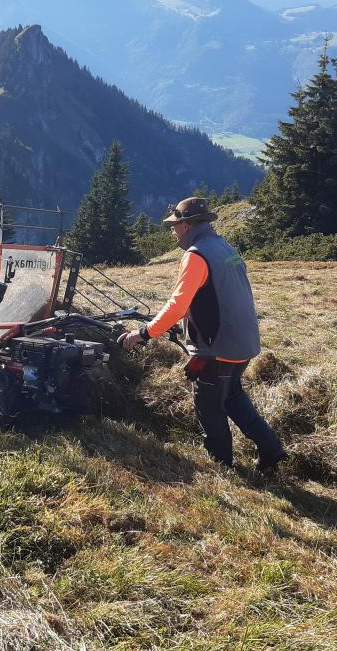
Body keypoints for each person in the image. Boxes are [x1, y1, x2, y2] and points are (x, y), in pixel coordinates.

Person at [118, 196, 287, 472]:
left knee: (209, 406)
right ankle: (271, 449)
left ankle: (221, 465)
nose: (172, 231)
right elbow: (213, 295)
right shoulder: (223, 246)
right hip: (242, 342)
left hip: (217, 347)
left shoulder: (196, 255)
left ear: (187, 225)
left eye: (175, 225)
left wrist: (144, 333)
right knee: (231, 396)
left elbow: (178, 303)